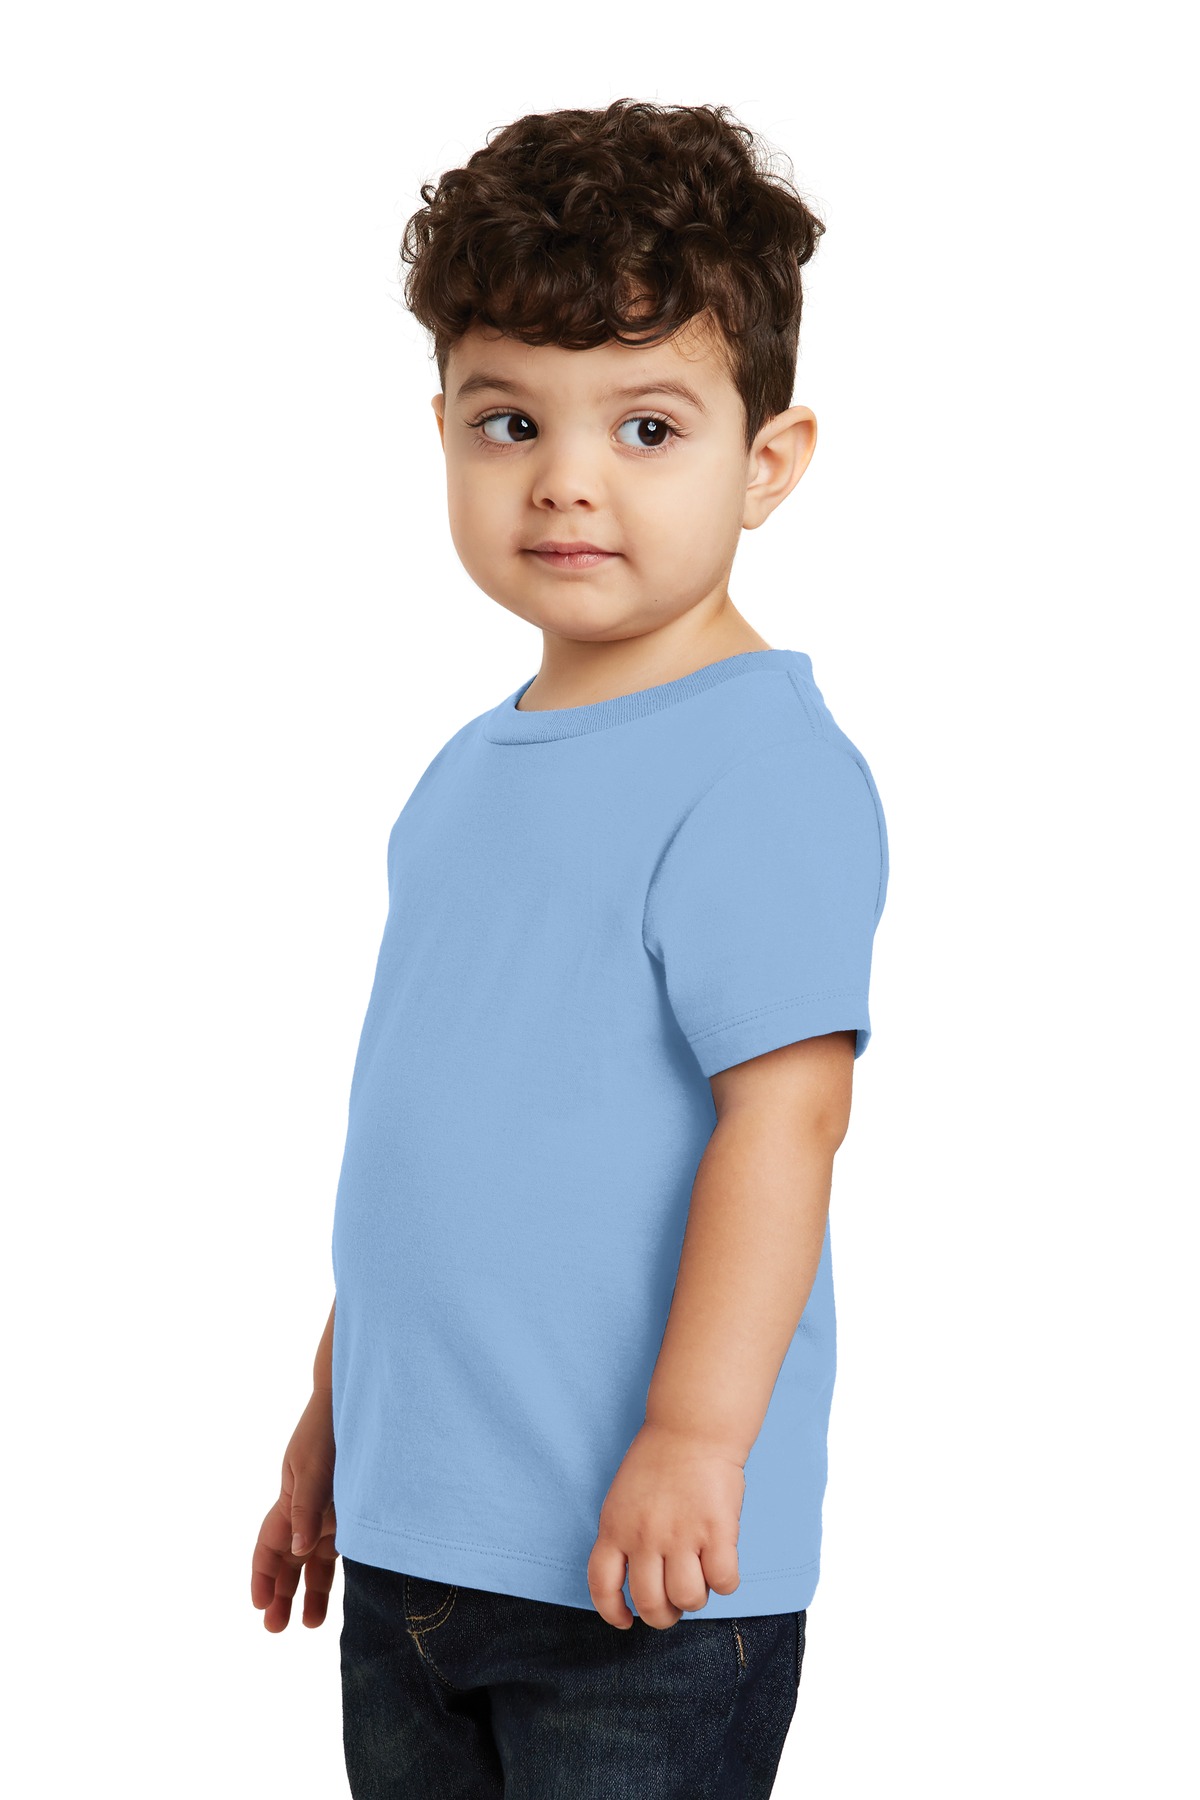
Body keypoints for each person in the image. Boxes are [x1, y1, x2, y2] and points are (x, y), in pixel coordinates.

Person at [251, 96, 891, 1799]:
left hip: (642, 1579)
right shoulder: (464, 776)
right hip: (417, 1550)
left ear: (769, 462)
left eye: (648, 427)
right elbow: (432, 1138)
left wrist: (696, 1437)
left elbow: (788, 1121)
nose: (566, 479)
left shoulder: (760, 767)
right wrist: (336, 1416)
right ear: (444, 432)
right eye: (510, 420)